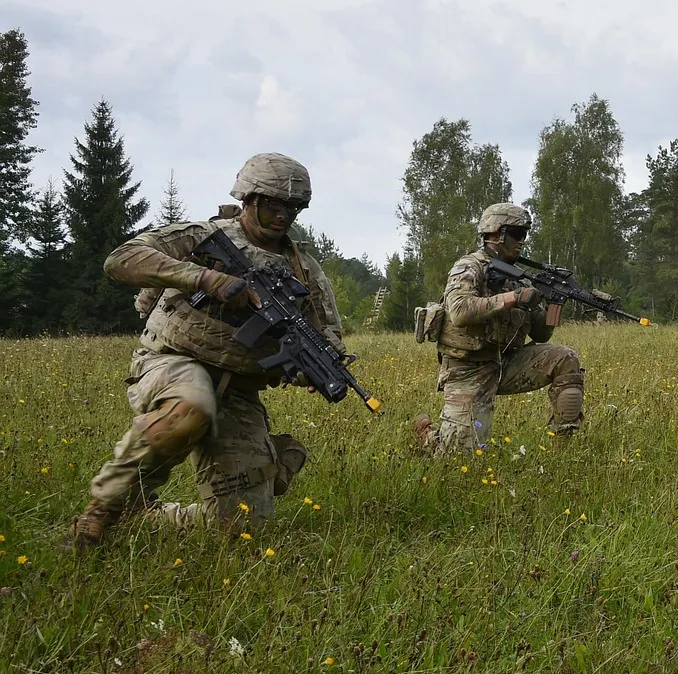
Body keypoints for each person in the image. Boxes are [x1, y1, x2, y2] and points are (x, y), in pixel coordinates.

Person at [64, 153, 343, 551]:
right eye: (273, 205)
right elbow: (121, 260)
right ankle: (103, 508)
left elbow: (328, 334)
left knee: (243, 530)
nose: (284, 216)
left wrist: (308, 368)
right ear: (249, 199)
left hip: (239, 392)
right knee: (191, 408)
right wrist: (204, 278)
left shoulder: (303, 270)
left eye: (293, 208)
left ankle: (148, 514)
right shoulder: (204, 236)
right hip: (173, 361)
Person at [412, 203, 583, 454]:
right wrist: (514, 298)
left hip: (506, 363)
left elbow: (541, 334)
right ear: (496, 234)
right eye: (517, 234)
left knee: (565, 359)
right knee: (457, 459)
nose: (522, 241)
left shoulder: (520, 277)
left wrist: (555, 303)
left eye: (525, 235)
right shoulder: (469, 266)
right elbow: (459, 311)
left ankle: (563, 452)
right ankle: (427, 435)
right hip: (468, 369)